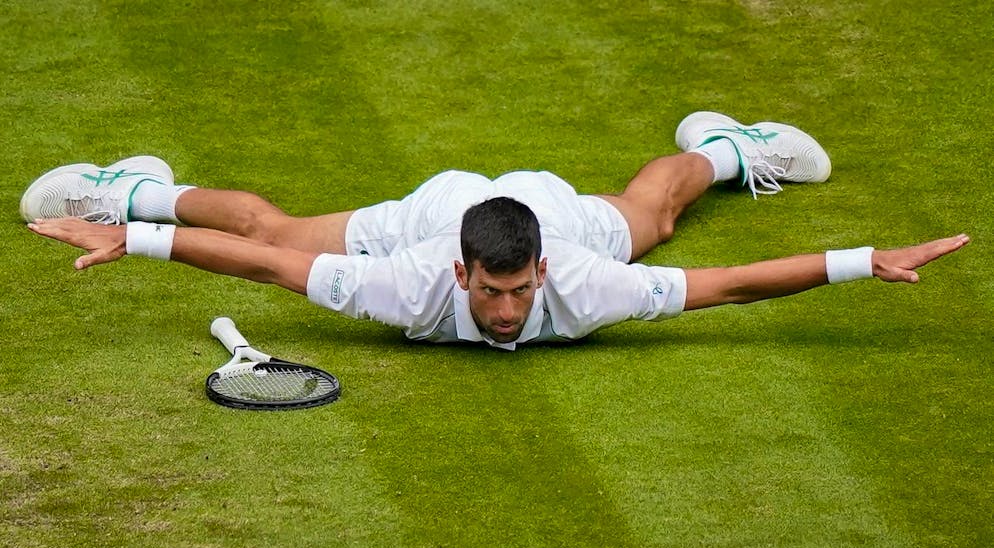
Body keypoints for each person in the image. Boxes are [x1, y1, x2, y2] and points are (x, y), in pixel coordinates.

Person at [22, 111, 969, 350]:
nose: (510, 308)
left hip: (548, 207)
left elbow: (728, 283)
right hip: (439, 206)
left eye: (520, 291)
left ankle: (727, 145)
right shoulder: (409, 276)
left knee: (661, 210)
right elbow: (265, 260)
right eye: (494, 290)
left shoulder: (587, 283)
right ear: (464, 274)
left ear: (543, 272)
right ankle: (135, 192)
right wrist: (138, 243)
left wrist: (860, 262)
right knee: (280, 223)